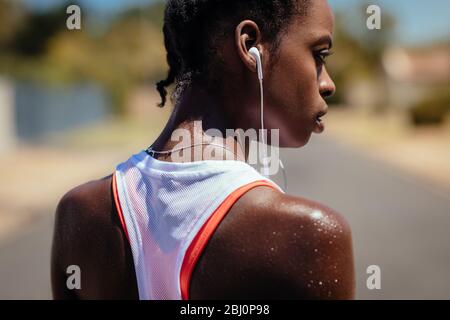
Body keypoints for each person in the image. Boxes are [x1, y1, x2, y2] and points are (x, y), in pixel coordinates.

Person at [51, 0, 355, 300]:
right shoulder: (308, 235)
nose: (328, 84)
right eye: (319, 54)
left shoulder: (78, 213)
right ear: (250, 46)